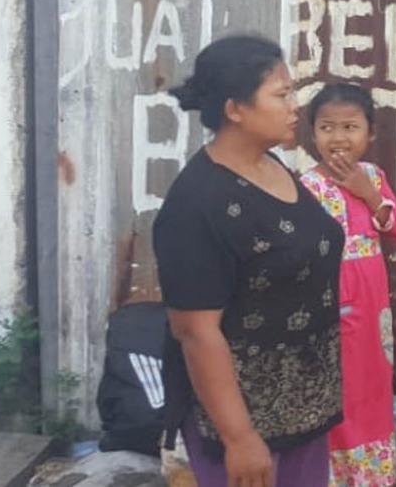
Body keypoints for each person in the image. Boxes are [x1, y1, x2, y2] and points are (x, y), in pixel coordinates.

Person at [154, 35, 343, 487]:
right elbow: (195, 332)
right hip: (240, 423)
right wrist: (239, 437)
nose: (295, 106)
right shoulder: (197, 203)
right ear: (235, 108)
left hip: (304, 408)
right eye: (281, 95)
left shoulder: (273, 165)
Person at [299, 83, 396, 486]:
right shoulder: (305, 187)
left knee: (372, 388)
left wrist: (370, 197)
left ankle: (371, 477)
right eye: (327, 128)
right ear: (312, 135)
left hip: (372, 312)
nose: (339, 138)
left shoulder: (373, 177)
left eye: (350, 127)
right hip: (328, 311)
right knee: (336, 392)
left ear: (371, 133)